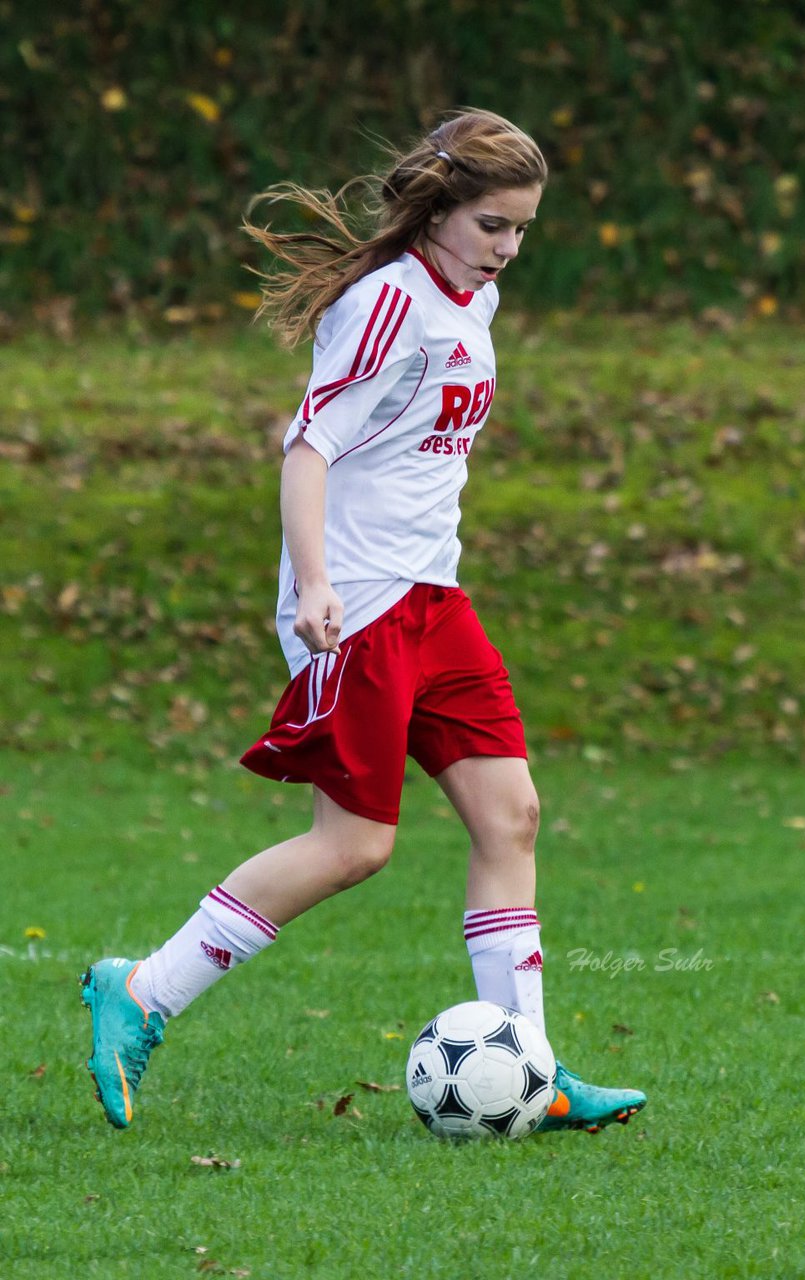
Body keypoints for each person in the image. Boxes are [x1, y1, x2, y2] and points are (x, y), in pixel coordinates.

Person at [81, 109, 646, 1135]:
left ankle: (536, 1068)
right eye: (491, 225)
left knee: (509, 814)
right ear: (437, 209)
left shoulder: (474, 299)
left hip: (434, 596)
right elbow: (307, 447)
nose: (507, 247)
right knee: (353, 846)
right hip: (359, 604)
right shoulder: (386, 304)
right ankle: (140, 992)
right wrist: (313, 585)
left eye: (521, 228)